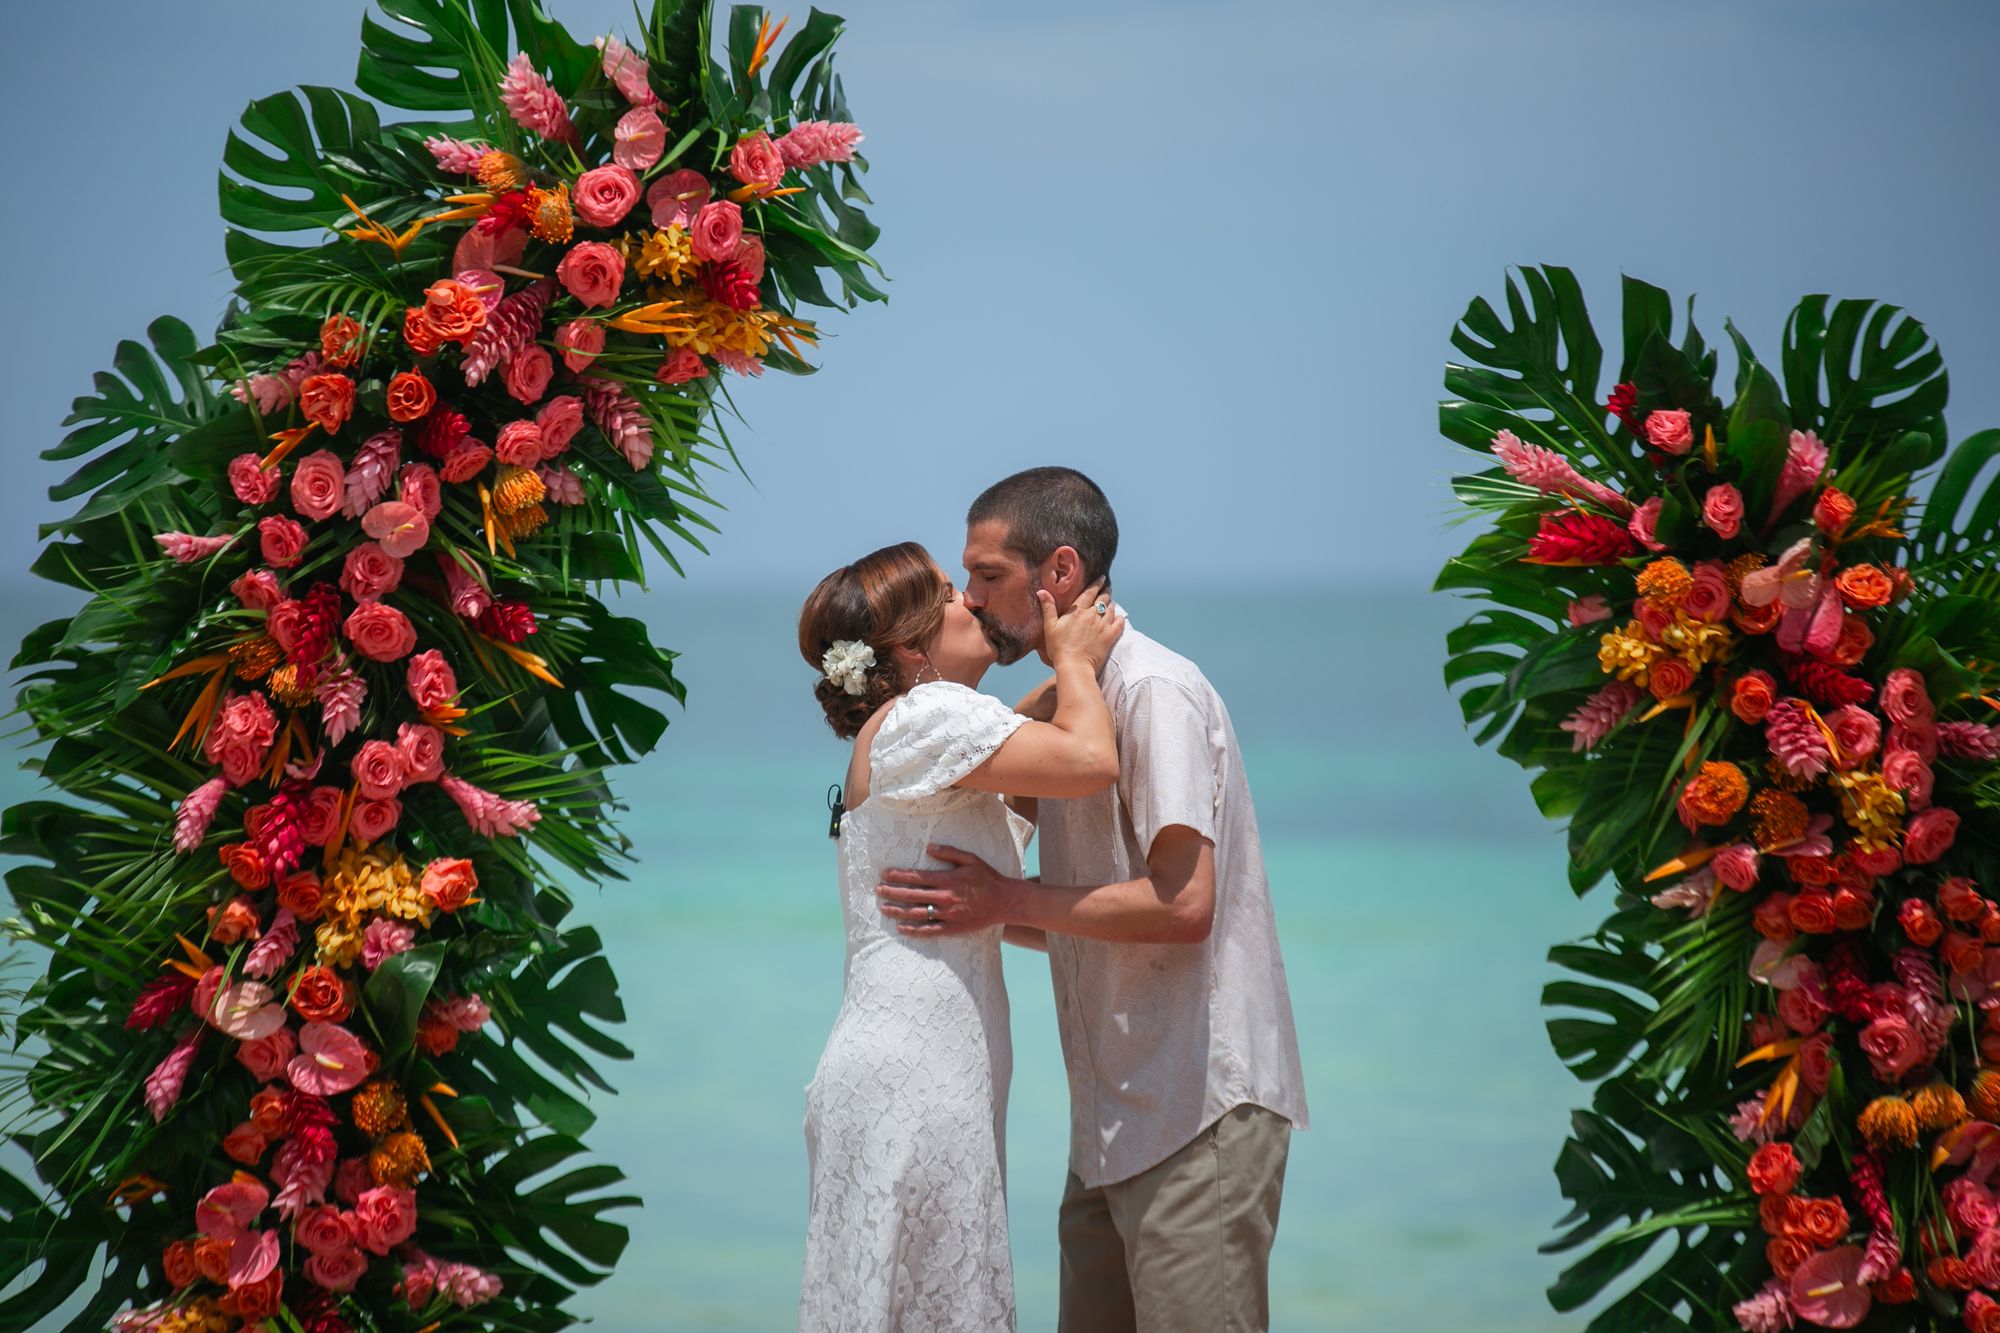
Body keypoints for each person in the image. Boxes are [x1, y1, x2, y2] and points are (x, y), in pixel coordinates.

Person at [875, 468, 1308, 1333]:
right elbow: (1084, 911)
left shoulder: (1153, 690)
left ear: (1060, 573)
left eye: (988, 575)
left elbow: (1184, 905)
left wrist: (1006, 897)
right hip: (1110, 1120)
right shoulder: (1078, 711)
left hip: (1197, 1106)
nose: (969, 595)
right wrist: (993, 907)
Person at [794, 540, 1126, 1333]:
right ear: (912, 648)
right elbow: (1090, 759)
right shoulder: (925, 715)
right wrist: (1075, 661)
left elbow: (1006, 834)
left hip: (910, 1065)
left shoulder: (913, 729)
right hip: (915, 1073)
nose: (974, 603)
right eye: (951, 594)